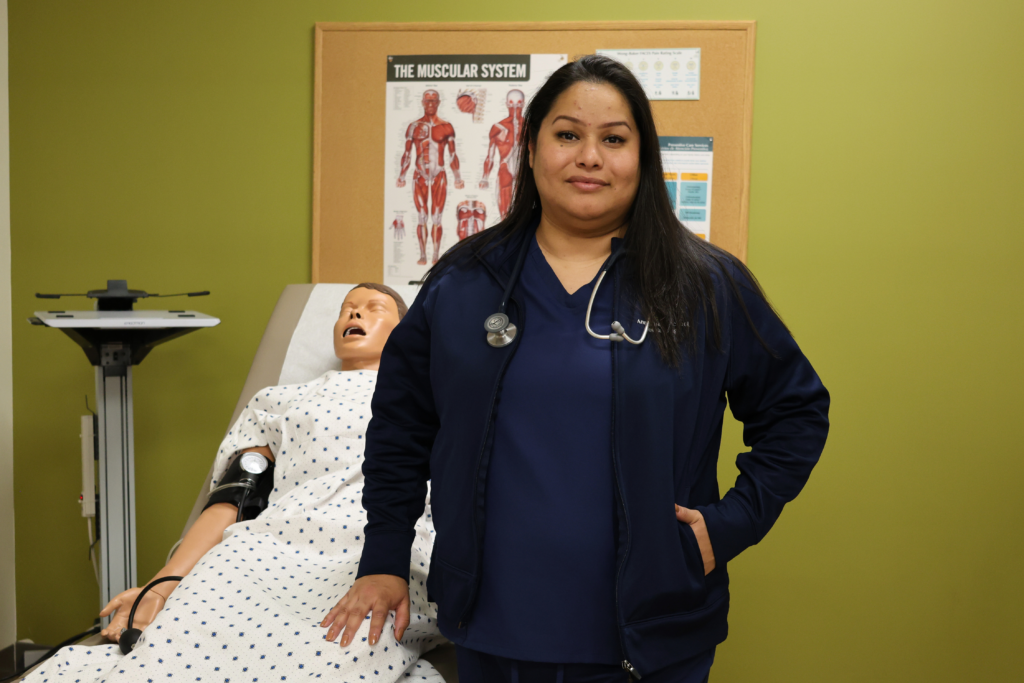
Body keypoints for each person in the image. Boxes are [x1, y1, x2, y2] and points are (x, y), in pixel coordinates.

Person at [323, 55, 830, 683]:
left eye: (613, 139)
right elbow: (401, 425)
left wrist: (730, 523)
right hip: (494, 626)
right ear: (531, 149)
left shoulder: (704, 284)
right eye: (567, 135)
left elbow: (796, 409)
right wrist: (384, 555)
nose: (589, 156)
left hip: (652, 637)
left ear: (642, 159)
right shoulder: (462, 282)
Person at [23, 284, 446, 683]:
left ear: (406, 332)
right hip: (269, 548)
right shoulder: (281, 400)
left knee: (337, 654)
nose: (354, 312)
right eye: (346, 309)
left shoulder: (436, 395)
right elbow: (237, 496)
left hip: (382, 553)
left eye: (374, 308)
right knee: (167, 653)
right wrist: (167, 581)